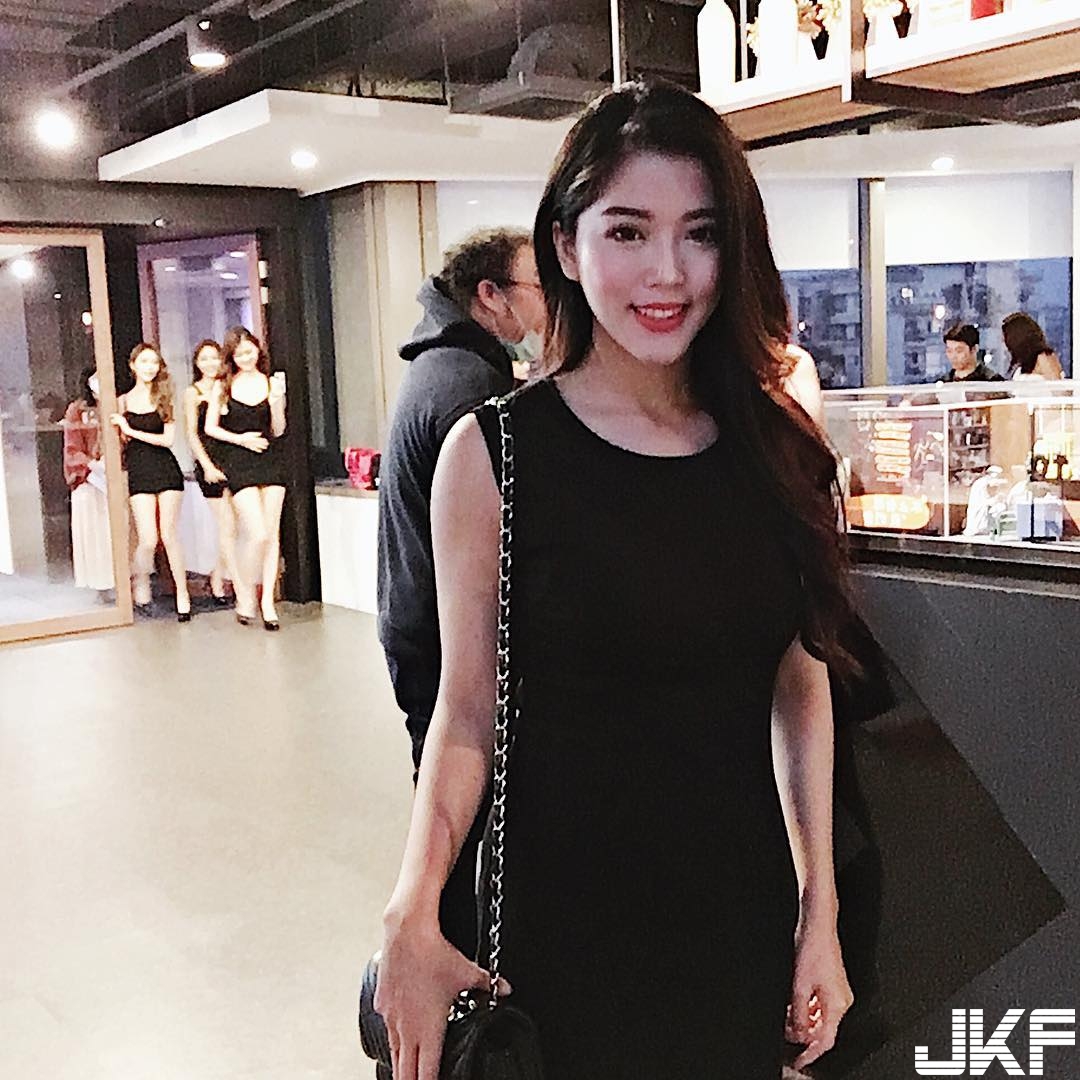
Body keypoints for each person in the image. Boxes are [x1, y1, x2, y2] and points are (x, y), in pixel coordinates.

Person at [375, 80, 855, 1080]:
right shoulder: (496, 455)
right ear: (565, 244)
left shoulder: (778, 455)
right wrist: (412, 905)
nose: (668, 272)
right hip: (558, 936)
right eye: (628, 231)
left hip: (734, 923)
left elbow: (799, 681)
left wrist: (822, 909)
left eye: (701, 233)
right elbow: (465, 712)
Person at [377, 227, 546, 957]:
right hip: (444, 638)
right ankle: (456, 966)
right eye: (539, 290)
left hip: (418, 621)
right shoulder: (468, 390)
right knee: (459, 822)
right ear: (490, 296)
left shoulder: (446, 366)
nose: (546, 308)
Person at [203, 327, 287, 630]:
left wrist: (276, 401)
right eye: (239, 354)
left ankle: (267, 603)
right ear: (232, 357)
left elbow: (278, 429)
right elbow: (210, 428)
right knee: (258, 533)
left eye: (249, 351)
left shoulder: (271, 383)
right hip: (239, 462)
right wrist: (241, 440)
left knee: (272, 535)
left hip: (271, 459)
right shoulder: (223, 386)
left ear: (258, 350)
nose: (246, 358)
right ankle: (246, 591)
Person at [110, 344, 191, 621]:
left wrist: (130, 430)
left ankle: (182, 595)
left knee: (169, 535)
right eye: (144, 362)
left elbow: (167, 440)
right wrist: (124, 432)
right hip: (139, 471)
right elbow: (119, 443)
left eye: (154, 362)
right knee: (147, 538)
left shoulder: (164, 396)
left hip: (165, 468)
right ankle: (139, 584)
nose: (149, 367)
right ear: (133, 365)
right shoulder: (122, 402)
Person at [183, 339, 238, 605]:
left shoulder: (227, 387)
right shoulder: (192, 393)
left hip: (233, 459)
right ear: (196, 363)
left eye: (214, 357)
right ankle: (227, 583)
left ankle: (217, 577)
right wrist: (206, 466)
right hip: (210, 462)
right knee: (226, 524)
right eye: (204, 358)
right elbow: (192, 435)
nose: (210, 363)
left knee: (232, 526)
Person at [62, 365, 114, 592]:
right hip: (89, 479)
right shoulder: (77, 410)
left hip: (114, 478)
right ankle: (99, 585)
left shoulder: (116, 404)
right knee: (95, 534)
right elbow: (71, 448)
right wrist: (91, 464)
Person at [1002, 312, 1064, 381]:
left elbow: (1056, 385)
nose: (1003, 341)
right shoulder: (1023, 364)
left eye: (1006, 337)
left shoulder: (1043, 357)